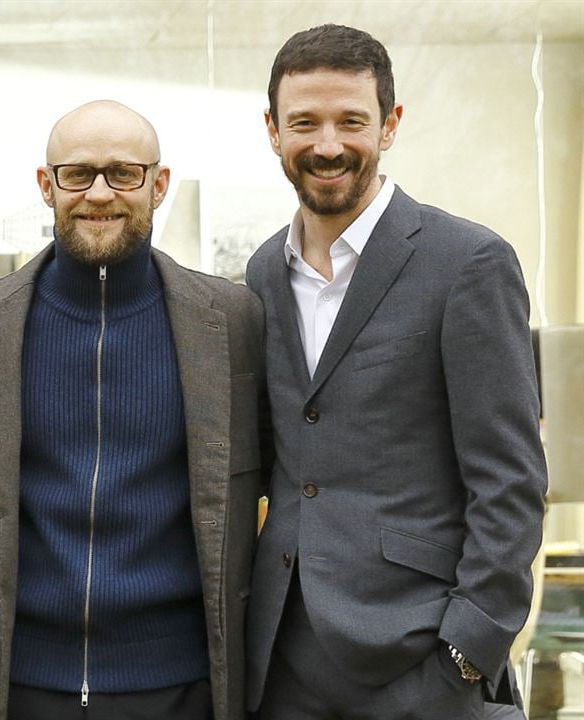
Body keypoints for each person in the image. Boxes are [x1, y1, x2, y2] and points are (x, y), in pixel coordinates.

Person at [245, 24, 547, 719]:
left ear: (391, 125)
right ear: (273, 131)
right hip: (283, 663)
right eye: (304, 123)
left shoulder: (467, 263)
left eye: (351, 120)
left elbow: (510, 480)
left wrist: (468, 651)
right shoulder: (263, 272)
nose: (327, 145)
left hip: (419, 661)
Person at [0, 100, 265, 720]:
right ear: (46, 185)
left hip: (183, 683)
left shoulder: (234, 320)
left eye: (124, 173)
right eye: (78, 174)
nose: (99, 193)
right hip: (18, 681)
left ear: (158, 184)